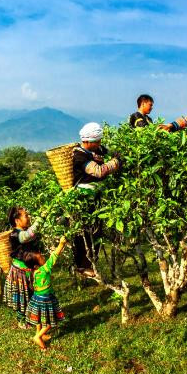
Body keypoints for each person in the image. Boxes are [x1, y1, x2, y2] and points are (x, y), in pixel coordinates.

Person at [72, 122, 121, 277]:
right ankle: (82, 265)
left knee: (96, 231)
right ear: (87, 141)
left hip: (96, 198)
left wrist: (117, 153)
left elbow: (109, 152)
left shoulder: (96, 149)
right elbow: (99, 171)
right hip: (84, 200)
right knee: (84, 232)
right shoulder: (79, 156)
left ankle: (91, 262)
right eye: (97, 141)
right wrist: (116, 162)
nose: (100, 144)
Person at [26, 236, 68, 350]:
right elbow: (54, 257)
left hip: (37, 298)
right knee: (50, 321)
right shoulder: (44, 270)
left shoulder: (31, 272)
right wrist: (61, 244)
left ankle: (39, 333)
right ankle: (38, 337)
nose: (43, 257)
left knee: (39, 319)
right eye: (40, 257)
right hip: (46, 299)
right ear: (36, 265)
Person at [5, 206, 44, 328]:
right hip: (20, 272)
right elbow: (27, 236)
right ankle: (22, 320)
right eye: (26, 216)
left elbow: (32, 234)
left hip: (30, 269)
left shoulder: (26, 230)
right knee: (22, 296)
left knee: (31, 294)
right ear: (17, 220)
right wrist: (40, 219)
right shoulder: (15, 234)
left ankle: (32, 317)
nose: (28, 218)